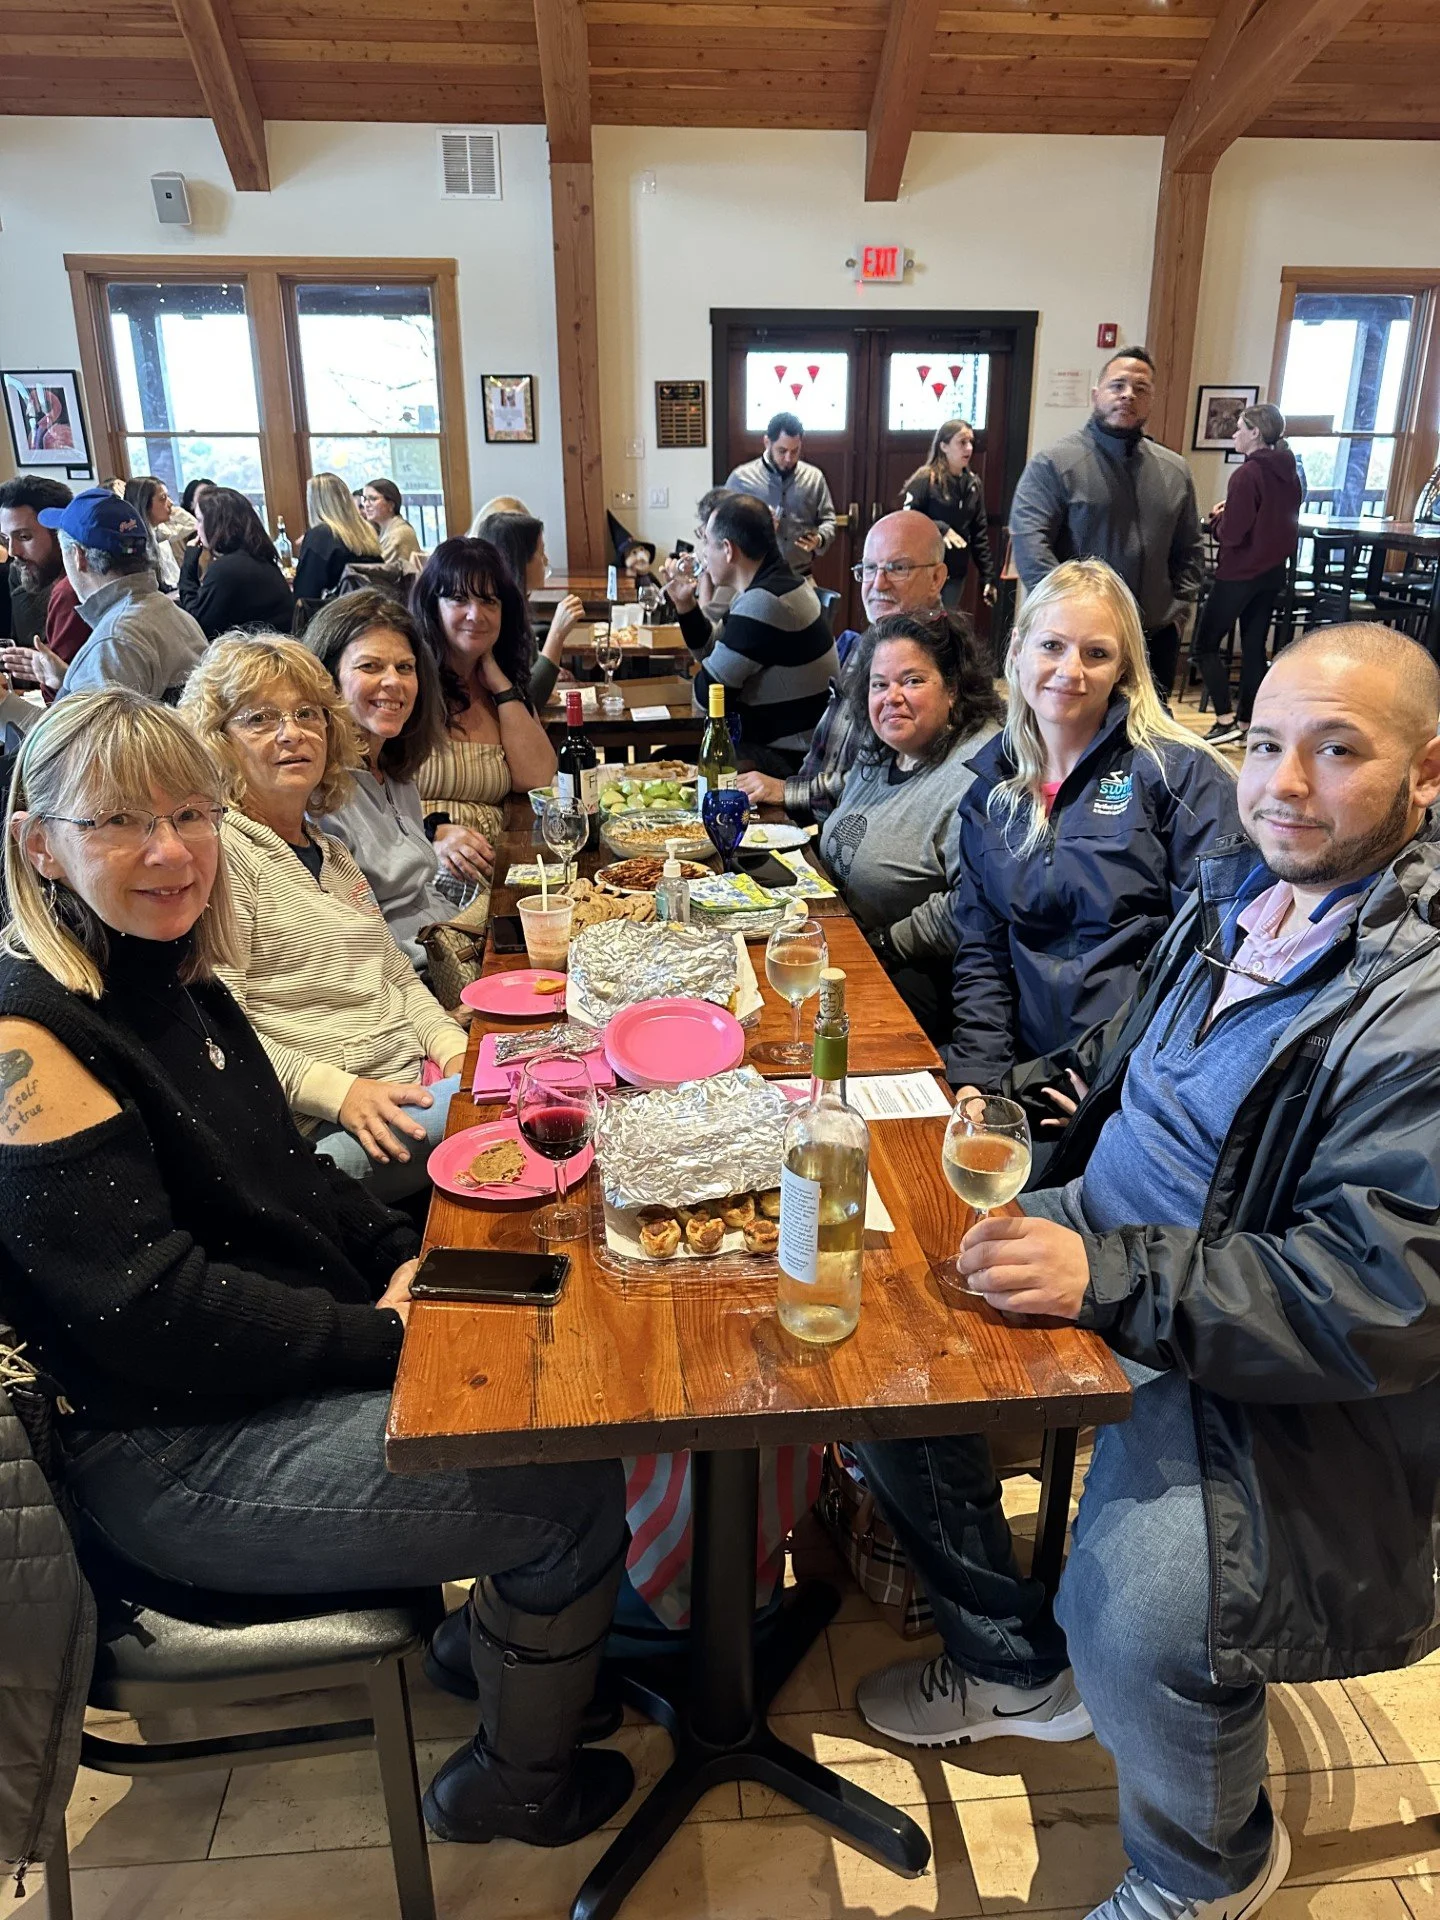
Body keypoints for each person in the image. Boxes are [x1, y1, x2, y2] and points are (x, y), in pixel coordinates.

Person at [0, 688, 633, 1850]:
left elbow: (291, 1177)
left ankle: (497, 1645)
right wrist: (385, 1334)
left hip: (255, 1382)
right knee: (570, 1487)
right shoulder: (27, 1035)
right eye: (118, 823)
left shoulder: (172, 974)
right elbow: (154, 1314)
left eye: (191, 813)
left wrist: (418, 1254)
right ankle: (516, 1782)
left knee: (561, 1349)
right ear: (39, 843)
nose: (169, 849)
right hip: (168, 1455)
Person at [943, 622, 1440, 1920]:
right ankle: (1011, 1663)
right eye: (1266, 743)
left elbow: (1376, 1298)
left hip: (1276, 1379)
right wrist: (1010, 1109)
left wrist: (1099, 1277)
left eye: (1339, 752)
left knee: (1140, 1613)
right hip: (1115, 1251)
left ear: (1428, 776)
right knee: (882, 1336)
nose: (1283, 784)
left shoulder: (1423, 1006)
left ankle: (1200, 1868)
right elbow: (1127, 1064)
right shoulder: (1241, 890)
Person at [179, 636, 468, 1198]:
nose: (292, 733)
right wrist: (342, 1094)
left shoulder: (329, 850)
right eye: (260, 718)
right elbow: (221, 1029)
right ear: (218, 742)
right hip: (332, 1129)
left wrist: (456, 1051)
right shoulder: (222, 854)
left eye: (307, 713)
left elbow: (397, 978)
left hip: (418, 1083)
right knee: (546, 1103)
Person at [948, 558, 1238, 1093]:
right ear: (1017, 651)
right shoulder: (988, 792)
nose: (1070, 670)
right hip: (1028, 1079)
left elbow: (1213, 957)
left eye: (1096, 653)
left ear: (1124, 669)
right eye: (1052, 646)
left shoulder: (1181, 775)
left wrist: (1108, 1076)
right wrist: (977, 1083)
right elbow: (983, 955)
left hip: (1141, 1079)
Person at [820, 610, 1001, 1039]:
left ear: (954, 688)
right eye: (879, 684)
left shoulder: (978, 772)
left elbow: (972, 904)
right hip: (851, 945)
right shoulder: (884, 747)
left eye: (913, 681)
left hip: (917, 978)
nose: (891, 697)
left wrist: (886, 944)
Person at [304, 590, 491, 966]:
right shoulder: (317, 794)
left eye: (405, 668)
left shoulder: (396, 774)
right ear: (328, 681)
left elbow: (421, 898)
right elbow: (352, 949)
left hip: (449, 953)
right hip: (409, 983)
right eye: (370, 667)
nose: (394, 681)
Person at [1009, 347, 1204, 697]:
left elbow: (1189, 548)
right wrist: (1064, 610)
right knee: (1075, 735)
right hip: (1077, 640)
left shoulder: (1174, 471)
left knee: (1148, 735)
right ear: (1096, 394)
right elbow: (1030, 543)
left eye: (1141, 388)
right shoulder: (1054, 464)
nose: (1128, 394)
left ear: (1151, 400)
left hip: (1154, 636)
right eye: (1118, 385)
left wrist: (1178, 611)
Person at [736, 509, 949, 824]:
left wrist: (785, 791)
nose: (879, 583)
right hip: (813, 815)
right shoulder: (868, 641)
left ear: (936, 578)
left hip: (853, 837)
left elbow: (887, 781)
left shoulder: (940, 663)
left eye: (898, 568)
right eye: (869, 568)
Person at [666, 492, 837, 777]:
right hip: (783, 748)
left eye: (707, 542)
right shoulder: (772, 586)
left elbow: (707, 695)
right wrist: (686, 605)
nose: (703, 553)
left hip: (786, 761)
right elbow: (711, 650)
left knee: (668, 769)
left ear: (729, 549)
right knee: (669, 761)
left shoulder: (766, 602)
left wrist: (705, 677)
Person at [413, 538, 558, 861]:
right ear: (432, 606)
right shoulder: (408, 686)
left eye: (489, 601)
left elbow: (536, 779)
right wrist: (430, 831)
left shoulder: (504, 689)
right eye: (458, 599)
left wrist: (500, 684)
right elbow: (365, 803)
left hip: (495, 866)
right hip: (419, 861)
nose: (475, 614)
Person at [9, 488, 206, 705]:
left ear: (78, 556)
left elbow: (77, 739)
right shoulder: (174, 615)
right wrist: (66, 678)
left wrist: (4, 704)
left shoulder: (114, 641)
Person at [1192, 403, 1304, 747]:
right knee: (1254, 649)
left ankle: (1224, 719)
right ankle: (1246, 724)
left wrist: (1214, 520)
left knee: (1204, 645)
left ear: (1255, 432)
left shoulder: (1247, 474)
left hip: (1239, 573)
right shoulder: (1291, 472)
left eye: (1239, 428)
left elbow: (1232, 534)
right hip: (1271, 574)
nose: (1234, 434)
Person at [475, 511, 585, 710]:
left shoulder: (515, 606)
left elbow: (529, 673)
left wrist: (550, 668)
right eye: (540, 552)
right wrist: (557, 633)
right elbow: (529, 700)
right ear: (519, 560)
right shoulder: (497, 618)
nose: (545, 560)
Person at [0, 477, 90, 699]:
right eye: (4, 539)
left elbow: (62, 702)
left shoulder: (71, 591)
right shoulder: (23, 576)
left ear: (60, 534)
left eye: (24, 537)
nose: (12, 551)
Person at [901, 418, 997, 611]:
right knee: (919, 622)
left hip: (954, 573)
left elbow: (979, 534)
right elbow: (907, 520)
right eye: (962, 442)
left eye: (971, 442)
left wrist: (988, 577)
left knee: (943, 625)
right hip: (924, 569)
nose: (969, 448)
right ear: (944, 446)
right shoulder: (925, 479)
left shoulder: (973, 484)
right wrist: (941, 529)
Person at [725, 411, 836, 576]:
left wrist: (819, 539)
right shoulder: (741, 479)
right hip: (755, 577)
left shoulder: (814, 478)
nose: (789, 458)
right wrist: (759, 524)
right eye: (782, 451)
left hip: (801, 574)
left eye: (795, 451)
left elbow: (829, 520)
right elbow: (723, 525)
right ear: (767, 442)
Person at [185, 487, 295, 639]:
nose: (196, 528)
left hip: (259, 657)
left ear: (215, 523)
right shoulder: (258, 556)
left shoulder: (227, 569)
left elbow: (200, 625)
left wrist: (188, 565)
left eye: (199, 520)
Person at [292, 471, 383, 602]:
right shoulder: (366, 531)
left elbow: (305, 594)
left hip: (337, 615)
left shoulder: (320, 536)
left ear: (314, 503)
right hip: (372, 610)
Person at [123, 476, 183, 591]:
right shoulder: (135, 548)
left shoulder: (160, 536)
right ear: (144, 504)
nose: (170, 503)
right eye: (163, 498)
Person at [360, 478, 422, 571]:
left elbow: (380, 573)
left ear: (391, 504)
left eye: (373, 499)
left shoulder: (400, 533)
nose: (366, 504)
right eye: (364, 499)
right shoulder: (381, 530)